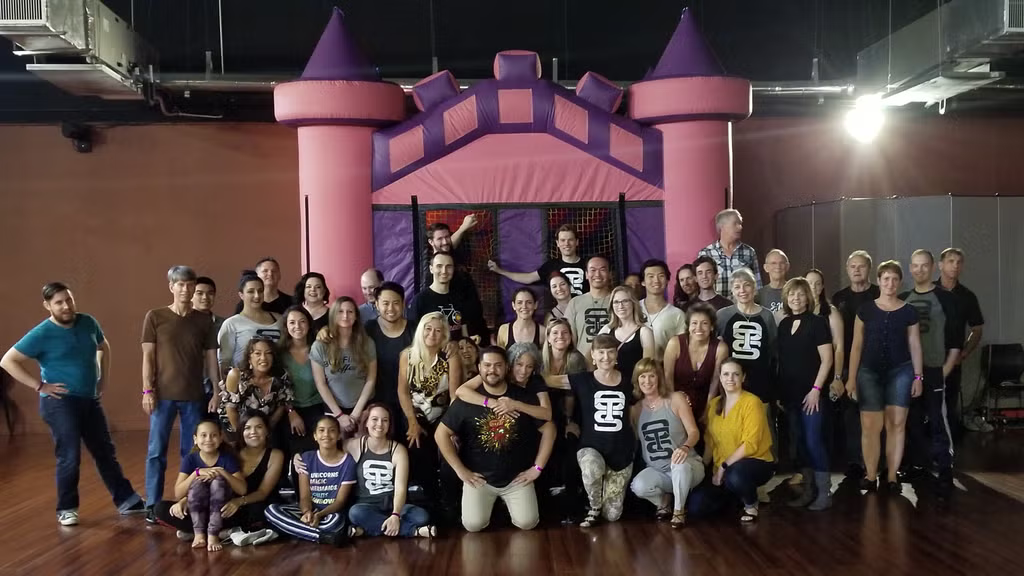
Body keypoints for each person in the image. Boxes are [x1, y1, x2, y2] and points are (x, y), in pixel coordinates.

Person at [1, 282, 145, 526]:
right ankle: (66, 508)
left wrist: (102, 378)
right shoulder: (42, 333)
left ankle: (127, 500)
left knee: (105, 451)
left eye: (68, 300)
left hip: (89, 399)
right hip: (59, 402)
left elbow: (103, 346)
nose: (66, 306)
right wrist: (39, 386)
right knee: (69, 454)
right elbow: (8, 361)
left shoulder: (88, 322)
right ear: (48, 306)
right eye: (59, 302)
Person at [435, 346, 556, 532]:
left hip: (515, 479)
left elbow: (550, 429)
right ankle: (495, 507)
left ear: (507, 367)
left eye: (498, 365)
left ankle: (505, 505)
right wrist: (461, 471)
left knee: (528, 522)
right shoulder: (467, 399)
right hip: (480, 479)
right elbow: (440, 434)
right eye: (487, 365)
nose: (492, 370)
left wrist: (536, 468)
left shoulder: (521, 396)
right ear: (479, 367)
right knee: (473, 525)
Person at [141, 266, 220, 516]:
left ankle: (188, 501)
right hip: (162, 396)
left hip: (194, 396)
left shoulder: (204, 321)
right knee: (156, 451)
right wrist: (147, 390)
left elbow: (211, 360)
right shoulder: (155, 317)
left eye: (190, 285)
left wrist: (217, 391)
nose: (186, 290)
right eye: (181, 285)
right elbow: (148, 357)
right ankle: (152, 504)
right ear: (171, 287)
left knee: (192, 453)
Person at [846, 260, 923, 493]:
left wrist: (918, 376)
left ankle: (891, 477)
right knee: (870, 427)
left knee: (896, 425)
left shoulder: (909, 311)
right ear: (878, 281)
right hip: (868, 372)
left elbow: (915, 344)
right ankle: (870, 476)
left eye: (894, 279)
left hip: (901, 371)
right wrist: (851, 378)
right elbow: (856, 346)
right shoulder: (866, 310)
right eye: (885, 278)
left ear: (900, 282)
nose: (890, 283)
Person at [155, 412, 284, 546]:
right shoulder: (229, 451)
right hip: (216, 503)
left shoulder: (275, 455)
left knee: (261, 511)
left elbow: (262, 493)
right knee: (161, 508)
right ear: (241, 431)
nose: (253, 432)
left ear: (267, 431)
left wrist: (238, 502)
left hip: (243, 505)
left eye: (259, 427)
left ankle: (199, 532)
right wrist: (185, 500)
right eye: (247, 428)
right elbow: (205, 484)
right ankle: (218, 533)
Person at [546, 335, 635, 527]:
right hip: (591, 446)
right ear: (592, 356)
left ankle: (604, 491)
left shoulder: (628, 381)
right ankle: (593, 505)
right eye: (601, 352)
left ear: (616, 355)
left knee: (612, 516)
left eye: (610, 352)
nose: (606, 357)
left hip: (621, 451)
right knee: (591, 468)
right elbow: (548, 380)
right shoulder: (582, 380)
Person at [900, 249, 961, 495]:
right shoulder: (904, 298)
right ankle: (919, 465)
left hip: (935, 370)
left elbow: (956, 340)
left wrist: (943, 371)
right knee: (913, 421)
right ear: (910, 268)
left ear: (933, 267)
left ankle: (945, 469)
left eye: (924, 266)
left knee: (937, 420)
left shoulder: (946, 298)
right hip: (910, 372)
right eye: (915, 266)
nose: (919, 270)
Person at [689, 358, 775, 523]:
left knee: (734, 475)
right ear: (720, 378)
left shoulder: (752, 402)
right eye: (726, 374)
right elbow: (710, 441)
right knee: (696, 506)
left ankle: (751, 505)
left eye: (736, 374)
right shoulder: (714, 405)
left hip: (755, 462)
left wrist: (723, 466)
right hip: (723, 468)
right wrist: (702, 467)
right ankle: (735, 498)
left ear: (743, 377)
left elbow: (750, 444)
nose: (730, 378)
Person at [776, 278, 834, 511]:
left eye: (800, 294)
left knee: (813, 441)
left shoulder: (818, 323)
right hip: (790, 395)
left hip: (812, 395)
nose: (796, 298)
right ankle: (809, 490)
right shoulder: (783, 324)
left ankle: (824, 492)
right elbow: (783, 361)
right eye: (791, 295)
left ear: (808, 297)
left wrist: (816, 390)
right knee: (798, 443)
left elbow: (827, 360)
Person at [397, 313, 463, 513]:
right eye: (428, 328)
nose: (432, 334)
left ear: (444, 334)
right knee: (416, 444)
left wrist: (451, 428)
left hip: (443, 412)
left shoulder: (450, 356)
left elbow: (454, 395)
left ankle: (451, 502)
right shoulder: (407, 355)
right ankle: (431, 499)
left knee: (448, 448)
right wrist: (412, 421)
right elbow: (402, 391)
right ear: (421, 330)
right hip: (415, 412)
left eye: (438, 330)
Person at [629, 358, 704, 527]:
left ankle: (679, 511)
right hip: (659, 471)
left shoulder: (675, 399)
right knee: (638, 486)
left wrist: (684, 448)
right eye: (642, 377)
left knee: (679, 465)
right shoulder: (636, 410)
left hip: (688, 465)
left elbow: (694, 432)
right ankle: (665, 502)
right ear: (637, 380)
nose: (647, 381)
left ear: (659, 378)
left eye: (651, 376)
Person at [346, 404, 435, 538]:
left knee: (422, 517)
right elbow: (329, 451)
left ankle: (366, 530)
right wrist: (302, 458)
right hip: (367, 506)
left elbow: (400, 488)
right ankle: (413, 531)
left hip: (394, 505)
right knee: (355, 513)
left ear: (389, 425)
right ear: (366, 423)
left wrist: (395, 514)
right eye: (374, 419)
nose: (380, 424)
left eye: (385, 420)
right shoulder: (354, 445)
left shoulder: (398, 450)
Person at [265, 416, 357, 545]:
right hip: (310, 509)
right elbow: (304, 496)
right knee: (271, 510)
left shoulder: (348, 462)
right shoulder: (307, 458)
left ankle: (293, 530)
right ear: (315, 436)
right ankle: (324, 537)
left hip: (331, 513)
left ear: (338, 436)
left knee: (335, 522)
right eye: (321, 430)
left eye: (331, 430)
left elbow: (340, 501)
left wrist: (319, 516)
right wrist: (307, 512)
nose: (326, 434)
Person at [831, 250, 880, 479]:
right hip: (846, 363)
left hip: (875, 363)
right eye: (853, 266)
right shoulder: (839, 298)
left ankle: (878, 462)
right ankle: (854, 461)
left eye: (861, 266)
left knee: (875, 415)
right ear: (847, 269)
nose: (857, 270)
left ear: (869, 269)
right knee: (850, 416)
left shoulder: (879, 294)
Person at [171, 416, 248, 551]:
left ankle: (212, 534)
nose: (208, 439)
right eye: (203, 435)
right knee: (162, 508)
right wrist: (196, 473)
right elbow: (178, 493)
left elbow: (242, 490)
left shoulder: (227, 458)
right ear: (195, 439)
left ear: (220, 438)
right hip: (197, 510)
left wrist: (222, 472)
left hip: (222, 510)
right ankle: (199, 533)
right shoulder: (190, 459)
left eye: (213, 435)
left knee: (218, 482)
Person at [936, 248, 986, 435]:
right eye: (950, 261)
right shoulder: (929, 292)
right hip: (927, 358)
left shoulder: (967, 296)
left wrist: (964, 352)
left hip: (952, 357)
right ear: (940, 265)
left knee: (949, 402)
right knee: (924, 403)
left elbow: (977, 329)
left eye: (958, 262)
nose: (955, 265)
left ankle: (949, 451)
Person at [310, 297, 377, 435]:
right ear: (333, 315)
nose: (345, 316)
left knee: (362, 448)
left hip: (363, 406)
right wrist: (339, 415)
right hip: (333, 408)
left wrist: (356, 413)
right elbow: (320, 383)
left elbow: (371, 379)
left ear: (356, 316)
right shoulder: (320, 345)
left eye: (350, 311)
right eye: (340, 311)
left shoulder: (367, 343)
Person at [716, 268, 778, 409]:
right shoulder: (722, 315)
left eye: (747, 285)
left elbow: (773, 350)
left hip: (761, 381)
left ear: (754, 287)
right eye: (737, 287)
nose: (742, 290)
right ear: (732, 290)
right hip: (732, 381)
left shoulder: (767, 316)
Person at [219, 337, 296, 443]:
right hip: (236, 432)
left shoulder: (281, 378)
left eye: (268, 353)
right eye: (257, 353)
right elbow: (230, 410)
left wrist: (265, 433)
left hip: (264, 433)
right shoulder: (236, 375)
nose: (263, 358)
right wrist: (243, 437)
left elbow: (280, 408)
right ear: (249, 359)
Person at [488, 224, 589, 303]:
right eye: (563, 240)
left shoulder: (588, 265)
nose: (566, 244)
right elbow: (529, 278)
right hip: (561, 313)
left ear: (577, 242)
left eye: (570, 240)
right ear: (557, 243)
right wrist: (500, 271)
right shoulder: (551, 265)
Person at [455, 342, 553, 423]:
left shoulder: (535, 380)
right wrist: (492, 403)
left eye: (529, 366)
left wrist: (516, 405)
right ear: (509, 364)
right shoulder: (498, 373)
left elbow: (547, 414)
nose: (523, 371)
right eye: (519, 364)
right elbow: (461, 391)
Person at [664, 302, 728, 424]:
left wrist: (708, 410)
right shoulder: (675, 343)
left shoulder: (720, 348)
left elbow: (716, 380)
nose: (698, 328)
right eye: (694, 323)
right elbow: (668, 377)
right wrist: (674, 407)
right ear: (688, 326)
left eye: (704, 323)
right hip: (676, 404)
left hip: (707, 403)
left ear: (712, 326)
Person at [364, 282, 416, 429]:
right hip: (378, 403)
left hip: (412, 403)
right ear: (376, 305)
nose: (391, 309)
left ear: (403, 303)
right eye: (385, 303)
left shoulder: (415, 329)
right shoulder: (368, 329)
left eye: (396, 303)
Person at [411, 252, 489, 344]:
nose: (444, 271)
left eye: (449, 266)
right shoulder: (420, 300)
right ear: (431, 269)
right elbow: (415, 336)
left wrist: (469, 340)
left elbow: (463, 332)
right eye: (439, 266)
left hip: (456, 355)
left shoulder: (459, 298)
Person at [218, 272, 284, 377]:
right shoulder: (231, 324)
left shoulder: (280, 319)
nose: (257, 296)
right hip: (244, 385)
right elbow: (224, 361)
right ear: (241, 295)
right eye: (251, 292)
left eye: (260, 291)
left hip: (277, 382)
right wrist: (228, 389)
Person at [280, 306, 325, 449]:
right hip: (291, 409)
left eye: (302, 321)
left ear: (309, 324)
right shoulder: (280, 353)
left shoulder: (319, 348)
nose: (297, 326)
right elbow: (279, 386)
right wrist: (290, 412)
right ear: (286, 326)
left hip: (318, 408)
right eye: (292, 322)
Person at [598, 285, 655, 384]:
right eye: (616, 302)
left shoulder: (644, 332)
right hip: (611, 386)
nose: (620, 306)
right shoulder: (606, 330)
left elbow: (647, 368)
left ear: (633, 303)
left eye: (625, 301)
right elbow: (593, 356)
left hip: (635, 387)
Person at [698, 209, 762, 296]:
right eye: (735, 223)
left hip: (743, 307)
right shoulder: (706, 253)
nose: (740, 227)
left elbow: (757, 285)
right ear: (722, 227)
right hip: (716, 307)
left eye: (740, 224)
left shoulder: (749, 252)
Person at [564, 256, 613, 358]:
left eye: (602, 270)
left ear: (609, 274)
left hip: (611, 361)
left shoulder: (617, 301)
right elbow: (569, 338)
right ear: (586, 274)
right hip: (582, 365)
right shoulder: (575, 303)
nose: (597, 274)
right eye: (593, 270)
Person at [638, 259, 686, 359]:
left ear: (668, 280)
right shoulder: (633, 309)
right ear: (643, 282)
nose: (656, 280)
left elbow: (682, 350)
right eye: (651, 276)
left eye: (661, 276)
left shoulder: (677, 314)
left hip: (662, 370)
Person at [193, 276, 227, 402]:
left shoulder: (224, 324)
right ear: (191, 295)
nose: (205, 298)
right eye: (199, 293)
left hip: (220, 387)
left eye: (210, 293)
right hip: (192, 387)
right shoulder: (183, 324)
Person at [758, 249, 790, 322]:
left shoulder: (794, 291)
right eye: (773, 263)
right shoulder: (759, 295)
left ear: (787, 266)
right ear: (766, 268)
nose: (778, 266)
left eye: (781, 263)